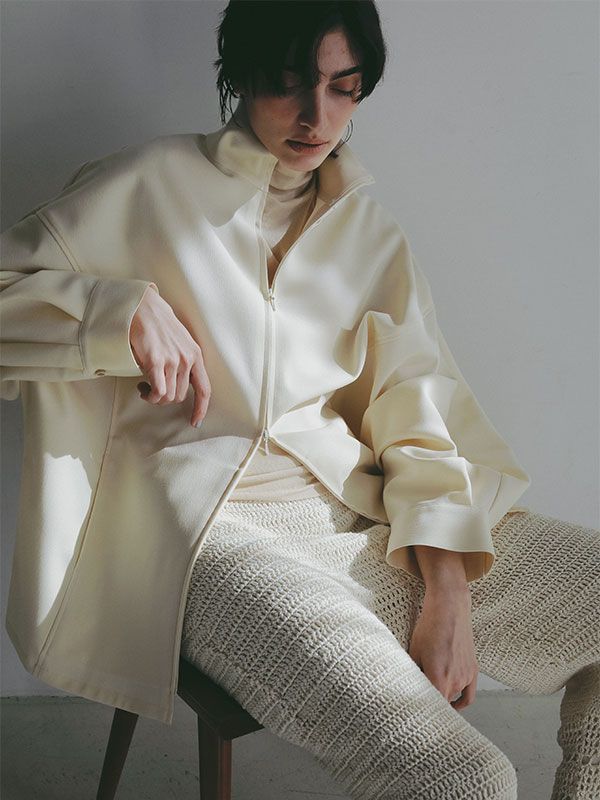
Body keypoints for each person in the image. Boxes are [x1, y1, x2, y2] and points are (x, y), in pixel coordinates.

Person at [1, 2, 598, 798]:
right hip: (216, 542)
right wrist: (119, 311)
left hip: (360, 522)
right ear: (242, 77)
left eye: (343, 87)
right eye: (289, 84)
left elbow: (415, 414)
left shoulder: (368, 234)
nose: (317, 117)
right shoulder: (145, 185)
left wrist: (448, 592)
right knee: (465, 779)